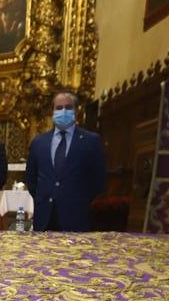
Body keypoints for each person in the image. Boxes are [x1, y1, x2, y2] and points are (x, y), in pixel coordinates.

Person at [24, 89, 107, 232]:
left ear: (76, 111)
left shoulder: (90, 141)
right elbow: (31, 178)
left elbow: (98, 179)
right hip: (45, 216)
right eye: (59, 108)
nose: (63, 111)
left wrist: (79, 199)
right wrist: (43, 197)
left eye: (68, 108)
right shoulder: (39, 142)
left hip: (76, 216)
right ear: (53, 111)